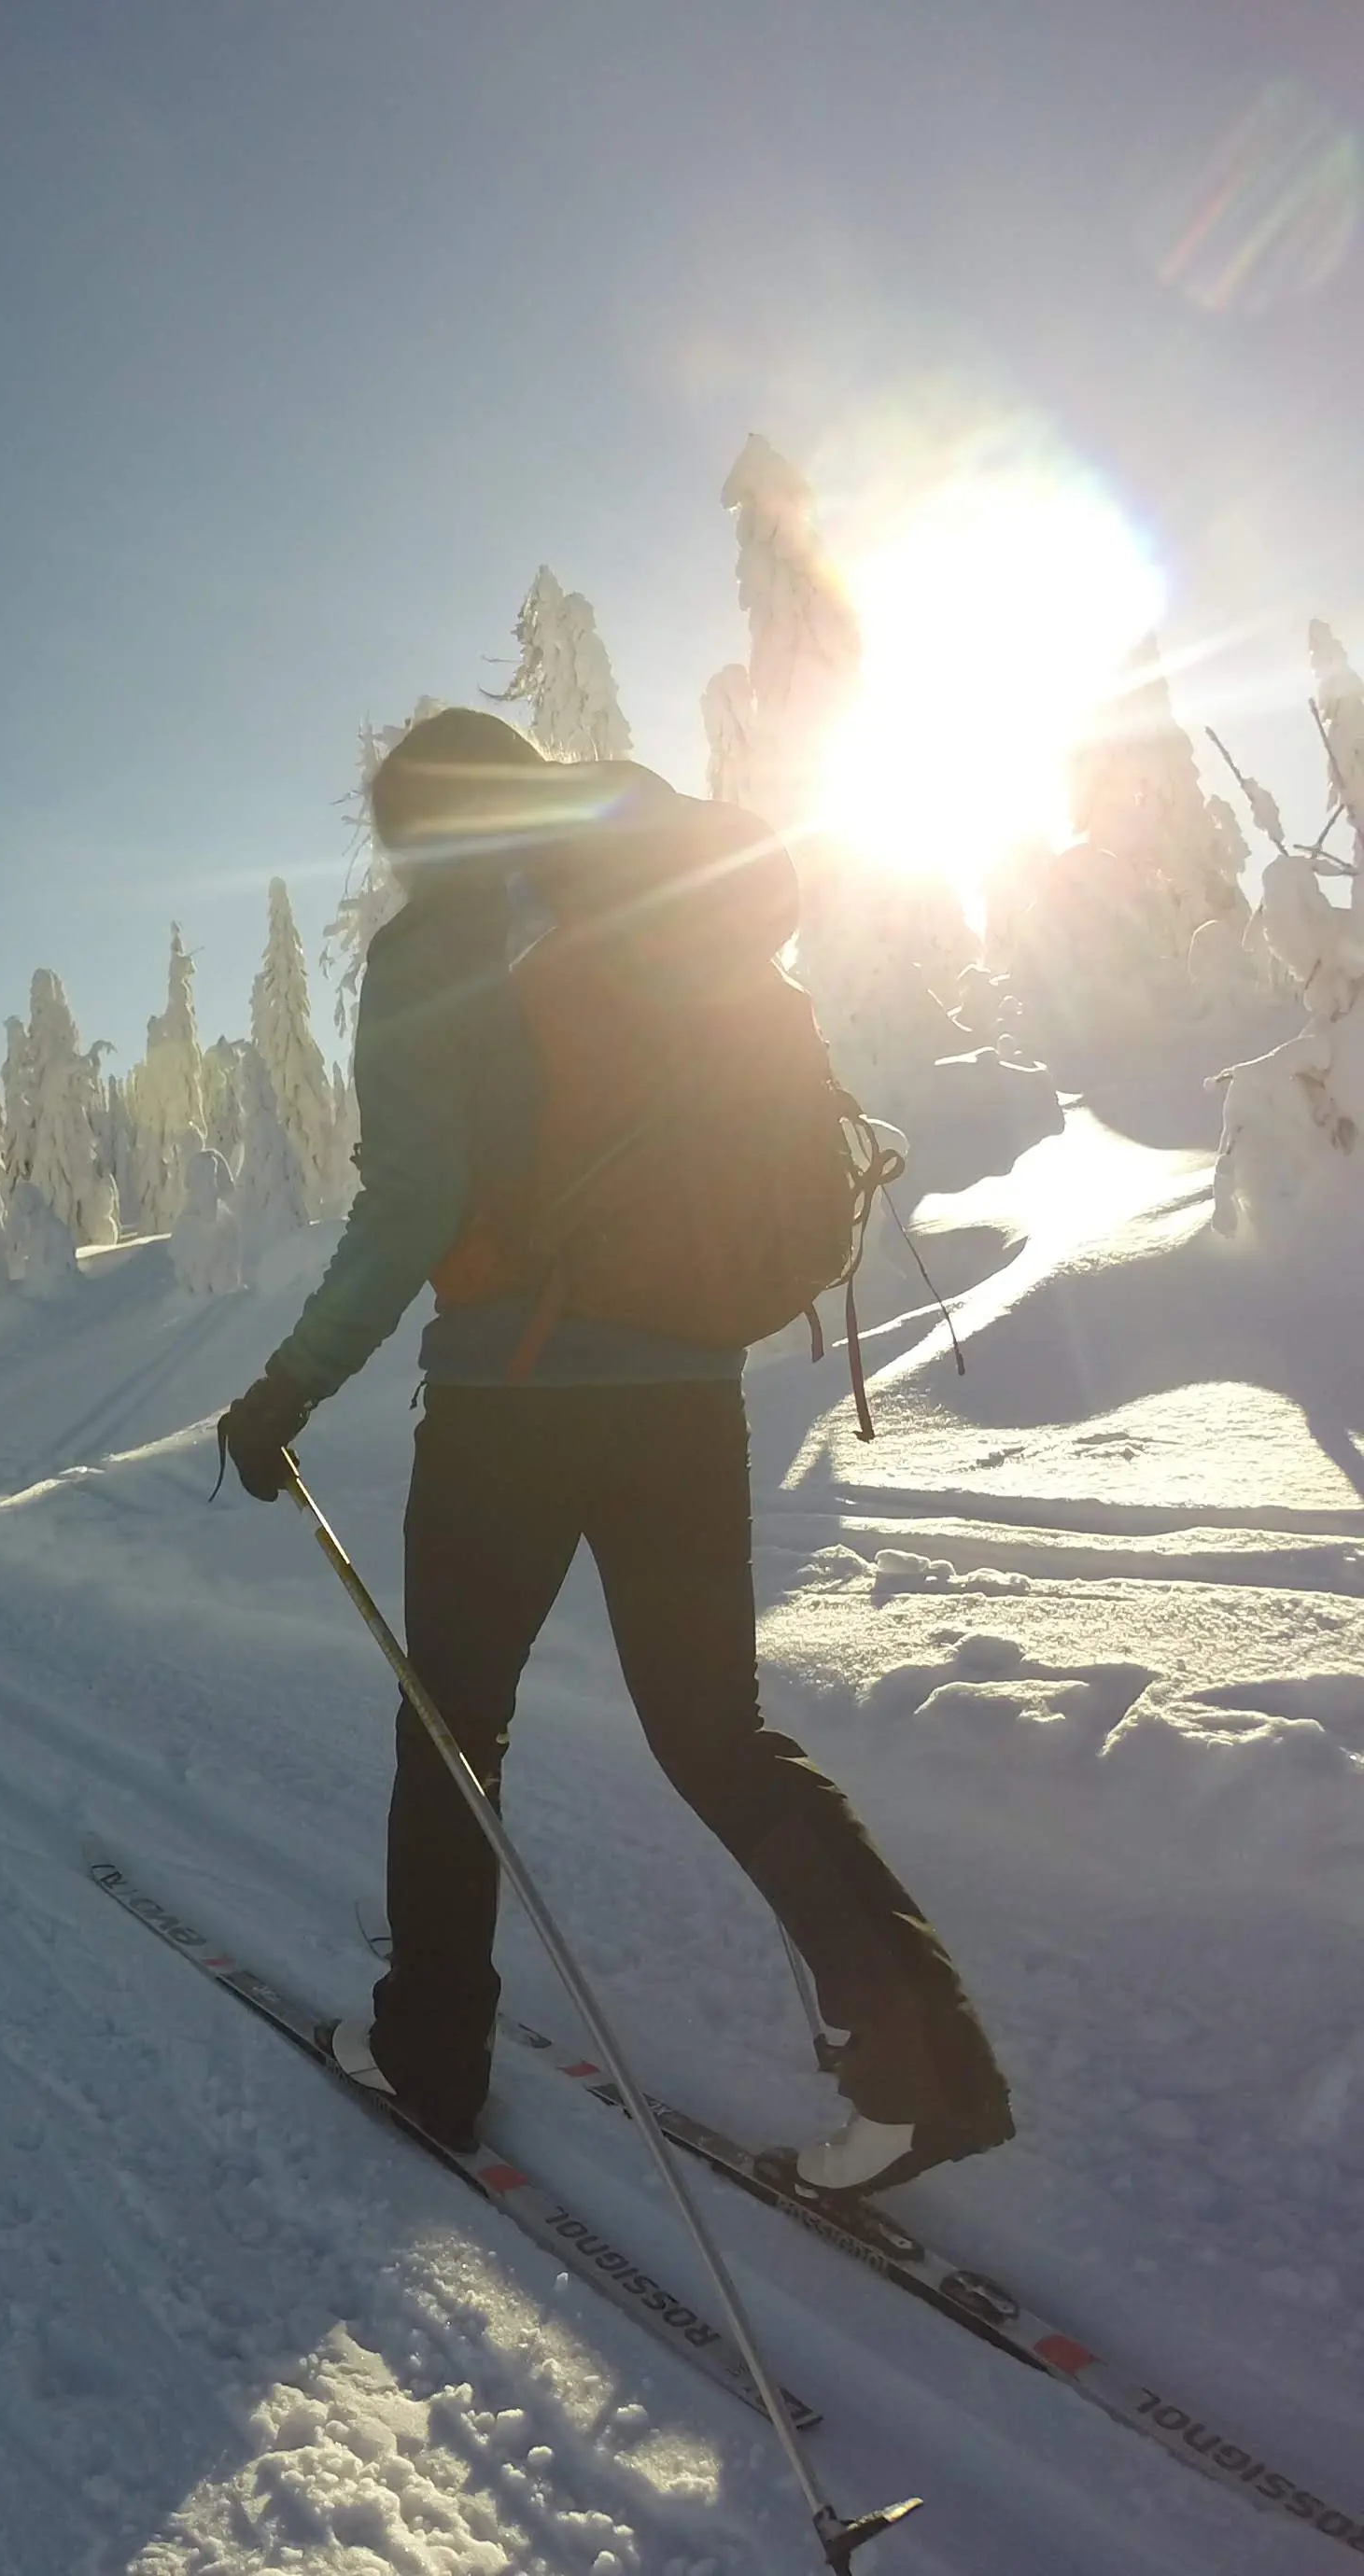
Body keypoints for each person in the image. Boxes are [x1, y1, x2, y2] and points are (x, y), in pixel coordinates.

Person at [215, 706, 1011, 2195]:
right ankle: (925, 2073)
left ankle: (433, 2057)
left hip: (510, 1409)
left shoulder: (438, 946)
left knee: (453, 1729)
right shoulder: (661, 903)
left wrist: (285, 1390)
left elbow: (410, 1208)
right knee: (716, 1732)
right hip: (686, 1398)